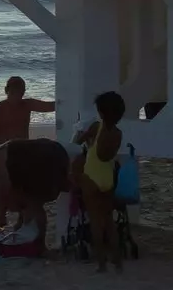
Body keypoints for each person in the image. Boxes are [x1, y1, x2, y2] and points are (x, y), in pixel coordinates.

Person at [0, 76, 57, 229]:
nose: (17, 97)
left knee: (19, 188)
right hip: (3, 153)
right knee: (2, 190)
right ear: (7, 91)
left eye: (20, 93)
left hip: (19, 153)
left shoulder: (22, 105)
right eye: (14, 93)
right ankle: (0, 220)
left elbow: (52, 106)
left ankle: (14, 221)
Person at [0, 137, 71, 253]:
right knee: (27, 200)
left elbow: (1, 194)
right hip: (51, 152)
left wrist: (0, 219)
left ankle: (40, 245)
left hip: (47, 157)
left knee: (34, 203)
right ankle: (30, 235)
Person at [75, 90, 126, 273]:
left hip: (92, 178)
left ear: (101, 112)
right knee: (109, 222)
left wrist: (82, 133)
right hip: (108, 178)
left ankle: (102, 264)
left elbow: (78, 141)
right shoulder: (118, 133)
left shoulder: (97, 127)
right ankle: (118, 262)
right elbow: (106, 156)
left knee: (96, 222)